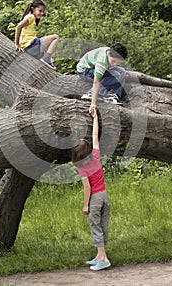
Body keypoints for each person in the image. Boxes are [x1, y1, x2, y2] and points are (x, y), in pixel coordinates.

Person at [71, 109, 111, 271]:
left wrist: (85, 205)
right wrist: (95, 118)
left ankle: (103, 258)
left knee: (95, 226)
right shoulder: (95, 155)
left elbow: (87, 187)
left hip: (94, 198)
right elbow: (95, 136)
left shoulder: (82, 168)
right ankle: (98, 255)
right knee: (102, 225)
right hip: (105, 196)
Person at [77, 43, 128, 113]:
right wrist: (93, 103)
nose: (114, 65)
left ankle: (114, 96)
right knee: (115, 75)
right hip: (85, 70)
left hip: (96, 67)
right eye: (113, 61)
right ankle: (90, 94)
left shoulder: (111, 53)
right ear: (109, 54)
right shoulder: (102, 61)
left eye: (118, 63)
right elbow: (96, 81)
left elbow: (114, 65)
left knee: (122, 71)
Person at [15, 0, 59, 68]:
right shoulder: (31, 16)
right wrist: (17, 44)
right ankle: (46, 58)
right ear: (33, 9)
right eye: (40, 11)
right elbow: (18, 27)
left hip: (28, 49)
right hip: (32, 45)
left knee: (43, 54)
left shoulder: (31, 18)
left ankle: (47, 60)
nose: (42, 13)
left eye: (43, 11)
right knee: (56, 37)